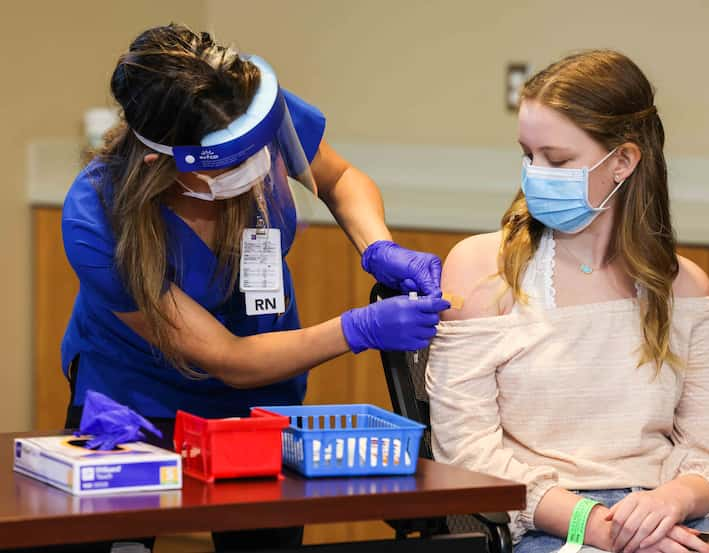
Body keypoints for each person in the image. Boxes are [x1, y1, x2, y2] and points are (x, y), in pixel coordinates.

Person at [58, 24, 448, 552]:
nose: (258, 166)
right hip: (134, 401)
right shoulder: (96, 220)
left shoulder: (248, 111)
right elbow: (228, 358)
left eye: (258, 150)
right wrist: (359, 329)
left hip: (263, 402)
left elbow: (339, 178)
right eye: (232, 163)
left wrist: (379, 248)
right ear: (161, 163)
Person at [426, 50, 709, 553]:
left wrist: (674, 502)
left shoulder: (685, 288)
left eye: (558, 160)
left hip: (666, 522)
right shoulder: (480, 269)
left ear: (623, 160)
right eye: (528, 155)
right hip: (550, 528)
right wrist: (597, 526)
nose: (534, 174)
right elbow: (467, 455)